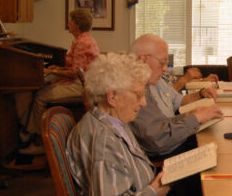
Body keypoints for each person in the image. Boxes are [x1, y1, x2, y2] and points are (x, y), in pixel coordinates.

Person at [128, 34, 223, 196]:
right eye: (163, 62)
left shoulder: (154, 80)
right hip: (163, 154)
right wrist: (195, 117)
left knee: (216, 149)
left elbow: (176, 104)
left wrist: (198, 105)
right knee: (216, 166)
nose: (165, 68)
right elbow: (156, 139)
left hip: (171, 140)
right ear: (143, 59)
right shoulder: (135, 89)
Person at [66, 53, 170, 196]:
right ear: (112, 97)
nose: (144, 103)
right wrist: (153, 191)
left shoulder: (113, 121)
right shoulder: (104, 143)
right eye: (138, 95)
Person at [19, 9, 100, 155]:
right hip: (81, 83)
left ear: (76, 24)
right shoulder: (82, 39)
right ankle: (27, 132)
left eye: (70, 20)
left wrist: (51, 72)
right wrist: (57, 67)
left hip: (83, 87)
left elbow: (75, 73)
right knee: (41, 90)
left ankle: (39, 143)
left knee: (40, 97)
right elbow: (73, 66)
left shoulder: (83, 42)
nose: (68, 23)